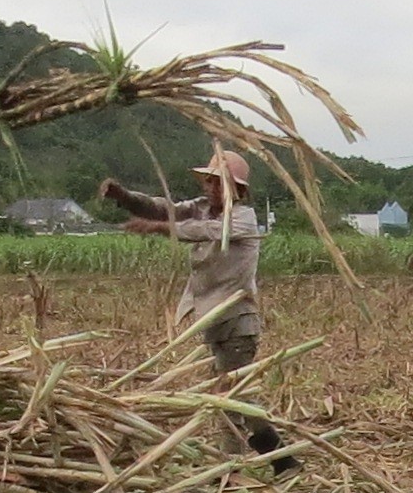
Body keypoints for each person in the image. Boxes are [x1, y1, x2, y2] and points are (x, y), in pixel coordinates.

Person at [99, 148, 292, 466]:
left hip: (237, 321)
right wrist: (125, 197)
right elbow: (164, 210)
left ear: (238, 190)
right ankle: (278, 460)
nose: (210, 189)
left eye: (219, 184)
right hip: (212, 320)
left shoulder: (243, 218)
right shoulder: (200, 209)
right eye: (209, 182)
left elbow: (213, 232)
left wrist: (163, 229)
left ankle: (236, 463)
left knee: (229, 397)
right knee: (234, 394)